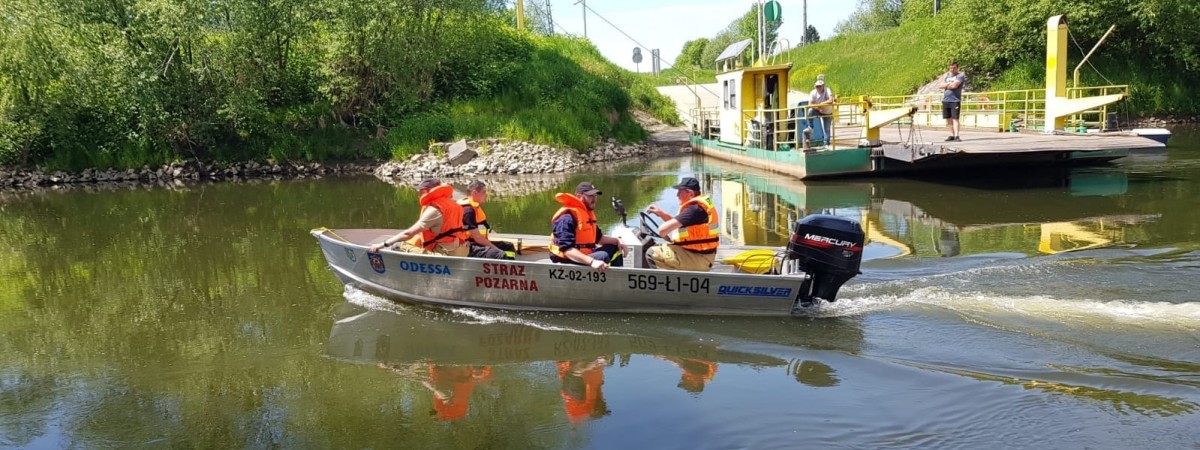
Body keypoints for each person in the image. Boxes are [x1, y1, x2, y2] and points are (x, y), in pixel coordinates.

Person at [368, 178, 468, 256]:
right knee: (417, 239)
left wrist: (381, 245)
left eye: (421, 191)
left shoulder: (434, 210)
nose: (419, 194)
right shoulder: (453, 204)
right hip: (461, 250)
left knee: (397, 246)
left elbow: (408, 233)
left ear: (427, 191)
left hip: (446, 254)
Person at [644, 177, 719, 271]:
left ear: (690, 194)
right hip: (701, 256)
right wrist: (661, 214)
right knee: (663, 249)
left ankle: (669, 283)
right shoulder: (698, 208)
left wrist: (668, 239)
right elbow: (677, 224)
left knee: (652, 253)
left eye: (680, 192)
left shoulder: (693, 210)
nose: (677, 195)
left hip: (699, 258)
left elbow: (662, 230)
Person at [549, 181, 626, 271]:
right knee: (602, 256)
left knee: (615, 247)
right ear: (579, 196)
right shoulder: (567, 217)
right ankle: (609, 281)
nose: (594, 199)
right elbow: (567, 250)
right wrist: (592, 262)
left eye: (595, 195)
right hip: (567, 259)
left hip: (584, 255)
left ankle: (618, 277)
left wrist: (618, 241)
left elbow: (599, 239)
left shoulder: (586, 215)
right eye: (590, 195)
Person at [458, 180, 516, 260]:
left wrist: (490, 231)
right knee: (499, 254)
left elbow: (480, 227)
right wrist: (495, 248)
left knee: (508, 246)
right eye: (483, 192)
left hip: (477, 243)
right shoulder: (468, 210)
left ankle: (512, 267)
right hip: (468, 246)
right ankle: (502, 269)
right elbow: (477, 238)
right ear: (474, 193)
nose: (486, 195)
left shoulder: (474, 208)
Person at [557, 356, 611, 423]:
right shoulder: (593, 400)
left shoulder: (584, 401)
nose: (605, 403)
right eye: (604, 405)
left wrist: (598, 362)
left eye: (604, 405)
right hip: (571, 392)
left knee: (575, 372)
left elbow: (576, 372)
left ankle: (596, 360)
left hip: (574, 394)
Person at [807, 77, 836, 147]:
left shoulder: (827, 90)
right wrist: (818, 108)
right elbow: (810, 104)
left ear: (823, 86)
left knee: (827, 128)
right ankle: (811, 127)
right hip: (819, 110)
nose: (818, 88)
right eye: (817, 86)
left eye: (820, 86)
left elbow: (831, 100)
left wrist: (822, 103)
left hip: (827, 112)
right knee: (810, 111)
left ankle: (826, 143)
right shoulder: (813, 93)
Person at [941, 61, 966, 142]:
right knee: (948, 119)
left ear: (957, 68)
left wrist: (946, 85)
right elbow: (940, 85)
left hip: (955, 100)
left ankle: (956, 135)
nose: (952, 69)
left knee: (955, 118)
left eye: (954, 68)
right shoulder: (946, 76)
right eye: (951, 68)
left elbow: (955, 85)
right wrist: (949, 85)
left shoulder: (960, 75)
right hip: (946, 100)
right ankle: (951, 135)